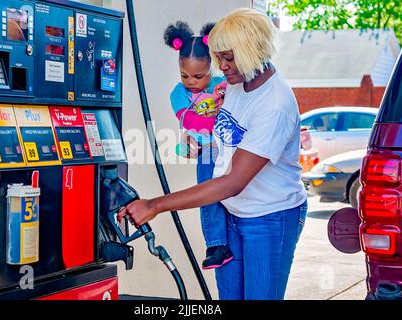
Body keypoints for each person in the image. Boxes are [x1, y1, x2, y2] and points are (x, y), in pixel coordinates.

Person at [119, 8, 307, 300]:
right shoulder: (235, 85)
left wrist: (155, 205)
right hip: (232, 213)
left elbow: (233, 181)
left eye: (228, 58)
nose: (221, 66)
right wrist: (204, 144)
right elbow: (226, 136)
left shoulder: (275, 104)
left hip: (269, 217)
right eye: (219, 57)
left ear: (252, 52)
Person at [163, 21, 233, 270]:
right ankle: (216, 245)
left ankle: (232, 236)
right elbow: (191, 121)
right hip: (206, 151)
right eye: (184, 75)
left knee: (234, 194)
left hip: (230, 149)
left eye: (198, 76)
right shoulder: (178, 94)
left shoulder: (222, 84)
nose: (191, 81)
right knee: (207, 194)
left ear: (210, 68)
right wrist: (216, 116)